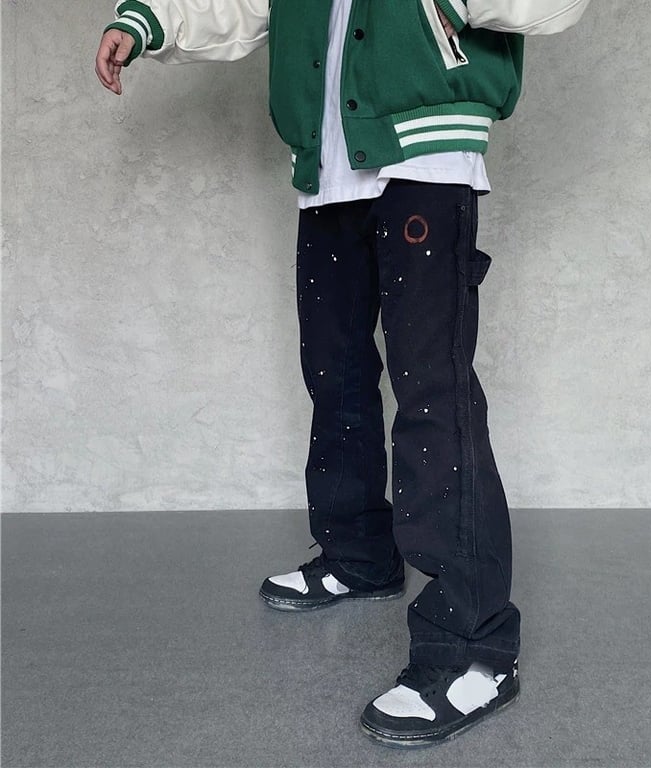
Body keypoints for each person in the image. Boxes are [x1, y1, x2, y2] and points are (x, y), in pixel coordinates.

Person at [96, 0, 526, 748]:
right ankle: (359, 555)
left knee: (434, 395)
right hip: (328, 170)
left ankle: (475, 651)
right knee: (335, 374)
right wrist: (147, 21)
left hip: (424, 161)